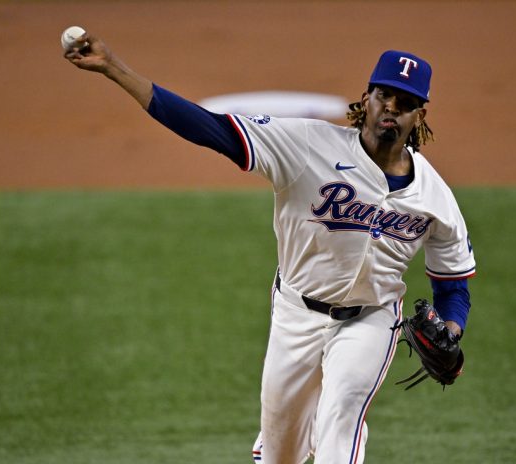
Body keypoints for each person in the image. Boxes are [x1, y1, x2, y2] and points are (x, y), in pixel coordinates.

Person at [65, 34, 475, 464]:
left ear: (419, 115)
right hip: (296, 314)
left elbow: (453, 286)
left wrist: (451, 330)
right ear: (366, 98)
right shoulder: (307, 146)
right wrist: (113, 67)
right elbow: (211, 129)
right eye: (383, 95)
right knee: (282, 453)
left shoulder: (436, 198)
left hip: (370, 319)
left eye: (404, 103)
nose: (391, 107)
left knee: (341, 416)